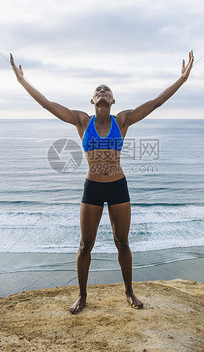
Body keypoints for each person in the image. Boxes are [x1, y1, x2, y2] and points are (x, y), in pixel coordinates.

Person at [10, 51, 194, 314]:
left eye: (107, 90)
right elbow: (47, 104)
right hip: (93, 188)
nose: (103, 91)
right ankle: (83, 296)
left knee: (123, 242)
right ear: (93, 99)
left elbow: (155, 103)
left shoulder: (123, 120)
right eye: (99, 90)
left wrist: (182, 80)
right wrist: (22, 82)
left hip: (118, 186)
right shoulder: (82, 121)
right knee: (86, 245)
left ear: (113, 99)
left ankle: (129, 291)